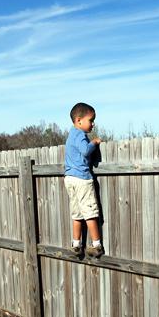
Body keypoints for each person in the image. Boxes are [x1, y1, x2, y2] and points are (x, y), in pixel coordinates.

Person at [64, 102, 103, 258]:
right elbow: (85, 151)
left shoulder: (71, 135)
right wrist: (94, 142)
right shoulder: (80, 135)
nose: (93, 124)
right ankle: (97, 245)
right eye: (91, 120)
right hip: (81, 179)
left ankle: (76, 244)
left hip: (69, 178)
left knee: (77, 213)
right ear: (79, 121)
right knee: (90, 212)